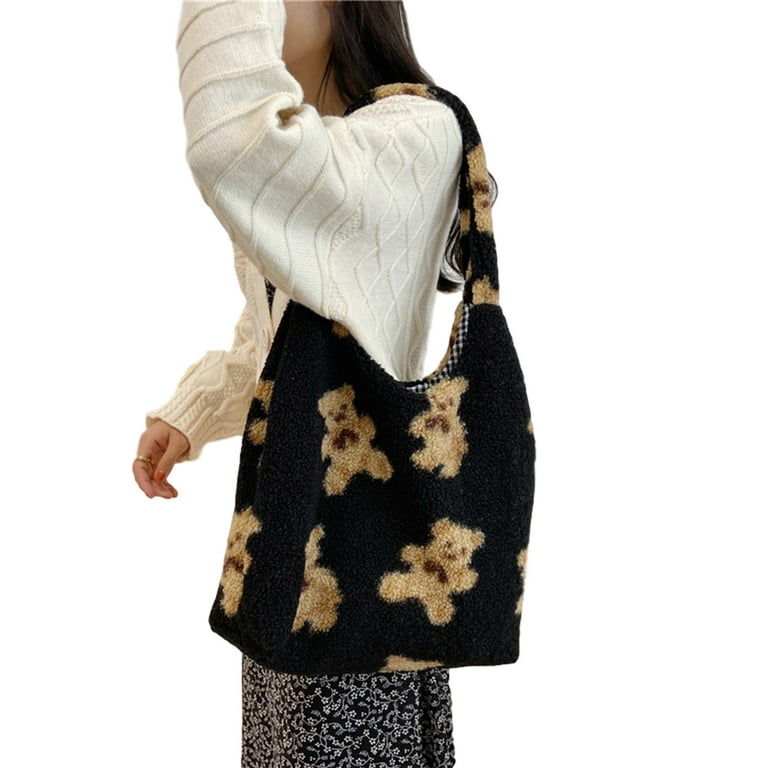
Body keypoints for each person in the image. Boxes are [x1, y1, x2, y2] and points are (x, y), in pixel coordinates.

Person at [134, 1, 468, 765]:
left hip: (364, 560)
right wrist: (196, 409)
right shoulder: (323, 151)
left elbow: (231, 143)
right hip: (292, 536)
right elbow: (281, 335)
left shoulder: (413, 133)